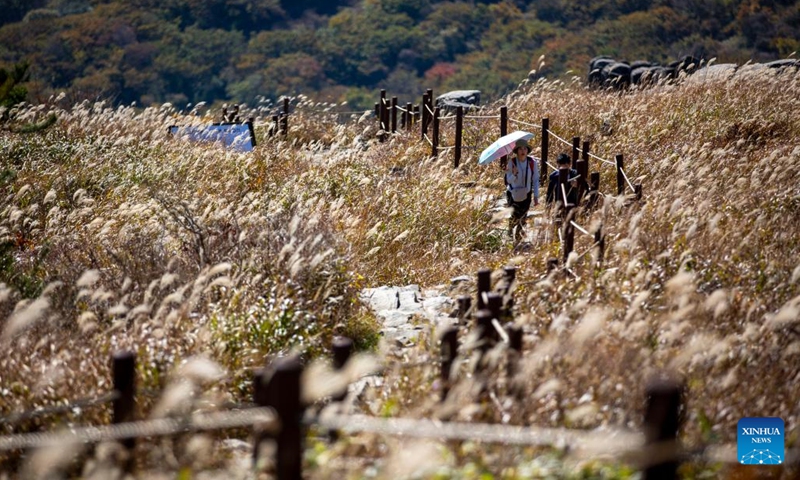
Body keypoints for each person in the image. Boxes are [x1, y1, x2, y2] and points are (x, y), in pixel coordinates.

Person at [504, 138, 539, 240]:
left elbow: (536, 179)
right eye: (520, 149)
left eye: (525, 149)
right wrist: (514, 174)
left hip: (527, 193)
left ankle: (518, 237)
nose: (523, 151)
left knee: (523, 216)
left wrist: (536, 196)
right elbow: (508, 180)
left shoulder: (532, 163)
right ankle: (510, 230)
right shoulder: (512, 162)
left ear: (527, 151)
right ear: (517, 151)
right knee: (514, 214)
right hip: (512, 193)